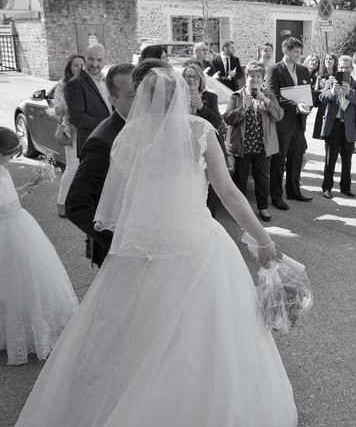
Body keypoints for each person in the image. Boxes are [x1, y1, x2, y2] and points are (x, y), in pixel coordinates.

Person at [15, 68, 297, 427]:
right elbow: (227, 192)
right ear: (180, 96)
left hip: (142, 249)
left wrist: (134, 239)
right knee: (206, 336)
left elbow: (121, 203)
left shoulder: (129, 136)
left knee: (129, 332)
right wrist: (263, 239)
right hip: (197, 245)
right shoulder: (199, 130)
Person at [0, 127, 78, 365]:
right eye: (9, 154)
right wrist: (13, 202)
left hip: (16, 225)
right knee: (11, 279)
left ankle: (28, 328)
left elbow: (7, 197)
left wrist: (23, 189)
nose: (12, 159)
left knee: (24, 278)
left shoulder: (2, 170)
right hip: (7, 230)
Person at [65, 62, 140, 267]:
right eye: (133, 96)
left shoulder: (147, 126)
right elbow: (76, 205)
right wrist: (120, 241)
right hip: (119, 255)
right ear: (113, 100)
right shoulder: (103, 141)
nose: (143, 100)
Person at [224, 61, 283, 222]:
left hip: (262, 146)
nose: (255, 79)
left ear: (263, 78)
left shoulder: (269, 96)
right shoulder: (236, 96)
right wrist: (243, 108)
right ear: (246, 77)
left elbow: (279, 116)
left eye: (258, 76)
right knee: (240, 179)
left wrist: (265, 100)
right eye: (252, 76)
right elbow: (228, 119)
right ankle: (240, 211)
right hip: (241, 146)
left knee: (262, 179)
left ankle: (263, 207)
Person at [266, 36, 313, 209]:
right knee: (279, 160)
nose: (299, 55)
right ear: (285, 50)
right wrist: (295, 106)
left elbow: (309, 92)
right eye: (296, 52)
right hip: (282, 122)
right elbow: (274, 96)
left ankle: (294, 191)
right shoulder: (274, 70)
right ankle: (276, 196)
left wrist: (309, 104)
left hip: (299, 122)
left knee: (297, 157)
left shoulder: (302, 70)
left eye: (300, 52)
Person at [183, 63, 226, 217]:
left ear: (200, 79)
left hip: (208, 148)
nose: (191, 79)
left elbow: (216, 122)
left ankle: (210, 218)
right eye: (188, 76)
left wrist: (202, 107)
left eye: (194, 76)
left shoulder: (210, 97)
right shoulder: (178, 96)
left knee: (210, 186)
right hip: (186, 149)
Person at [318, 55, 356, 199]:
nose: (343, 69)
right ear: (338, 68)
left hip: (349, 127)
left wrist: (349, 92)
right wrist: (332, 92)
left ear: (351, 69)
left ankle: (345, 188)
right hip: (333, 125)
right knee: (330, 160)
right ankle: (327, 187)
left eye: (346, 67)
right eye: (341, 67)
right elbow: (321, 97)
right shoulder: (331, 81)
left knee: (347, 160)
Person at [65, 43, 111, 156]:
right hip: (91, 145)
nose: (95, 64)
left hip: (109, 142)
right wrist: (110, 124)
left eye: (99, 60)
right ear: (85, 59)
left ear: (105, 60)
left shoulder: (106, 80)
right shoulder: (75, 83)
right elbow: (78, 118)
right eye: (91, 59)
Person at [54, 54, 85, 218]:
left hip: (88, 128)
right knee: (72, 168)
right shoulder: (63, 85)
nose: (80, 68)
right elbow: (57, 109)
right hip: (72, 129)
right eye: (76, 65)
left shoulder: (88, 83)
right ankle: (61, 202)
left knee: (84, 168)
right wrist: (75, 106)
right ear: (69, 68)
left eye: (82, 65)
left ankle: (77, 201)